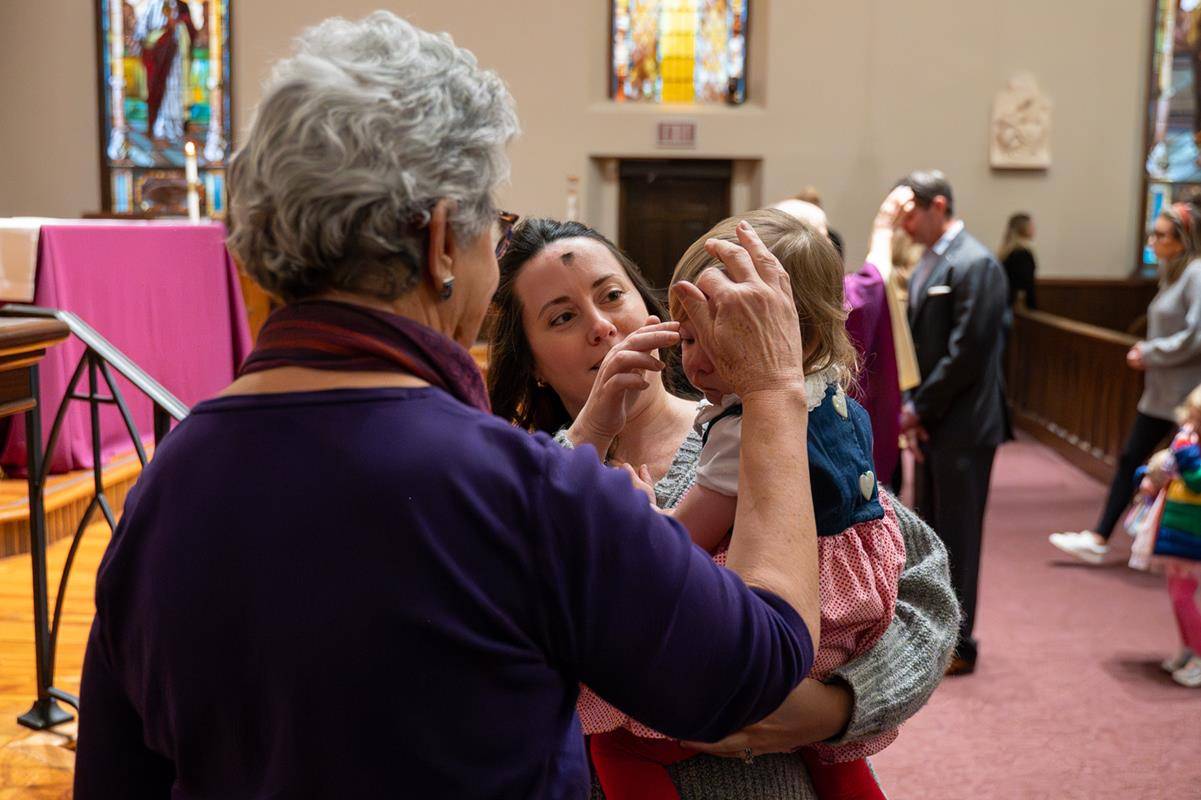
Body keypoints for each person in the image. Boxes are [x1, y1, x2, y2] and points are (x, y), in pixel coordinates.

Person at [73, 14, 824, 798]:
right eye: (488, 231)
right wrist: (772, 392)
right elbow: (759, 659)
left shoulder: (161, 492)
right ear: (437, 242)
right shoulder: (518, 491)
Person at [489, 217, 961, 799]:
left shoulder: (765, 419)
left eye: (612, 295)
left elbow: (916, 585)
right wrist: (587, 435)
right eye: (562, 317)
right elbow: (497, 606)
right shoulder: (522, 474)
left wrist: (837, 706)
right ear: (531, 359)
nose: (602, 326)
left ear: (654, 303)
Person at [575, 210, 905, 800]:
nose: (694, 361)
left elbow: (683, 539)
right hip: (850, 607)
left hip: (792, 628)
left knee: (618, 736)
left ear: (781, 333)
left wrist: (637, 517)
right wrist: (587, 438)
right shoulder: (828, 389)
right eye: (689, 336)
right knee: (838, 765)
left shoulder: (746, 421)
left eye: (611, 294)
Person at [895, 170, 1010, 676]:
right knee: (933, 532)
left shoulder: (976, 262)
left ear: (937, 205)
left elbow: (968, 353)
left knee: (959, 534)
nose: (903, 221)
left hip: (964, 423)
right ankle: (936, 634)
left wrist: (918, 408)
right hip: (936, 419)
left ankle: (961, 645)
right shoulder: (933, 259)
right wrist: (915, 408)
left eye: (910, 210)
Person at [1051, 201, 1201, 564]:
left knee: (1176, 467)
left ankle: (1106, 537)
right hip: (1163, 391)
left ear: (1183, 241)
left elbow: (1196, 334)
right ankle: (1103, 537)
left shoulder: (1196, 273)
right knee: (1139, 461)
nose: (1154, 241)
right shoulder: (1175, 273)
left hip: (1185, 395)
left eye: (1161, 235)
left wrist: (1151, 352)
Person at [771, 197, 904, 482]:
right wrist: (883, 231)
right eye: (821, 236)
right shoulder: (816, 300)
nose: (829, 247)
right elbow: (868, 289)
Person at [1129, 383, 1201, 687]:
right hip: (1177, 529)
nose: (1190, 425)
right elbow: (1163, 467)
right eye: (1192, 418)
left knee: (1185, 595)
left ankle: (1199, 653)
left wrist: (1186, 454)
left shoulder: (1189, 447)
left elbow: (1197, 480)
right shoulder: (1188, 441)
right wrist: (1149, 477)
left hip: (1195, 535)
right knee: (1176, 594)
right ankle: (1187, 647)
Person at [132, 0, 200, 141]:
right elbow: (142, 33)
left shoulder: (182, 6)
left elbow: (190, 31)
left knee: (176, 94)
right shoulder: (152, 6)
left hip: (177, 60)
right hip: (159, 62)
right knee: (161, 94)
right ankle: (160, 130)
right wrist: (163, 32)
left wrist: (179, 26)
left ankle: (177, 129)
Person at [998, 212, 1038, 309]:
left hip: (1005, 303)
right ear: (1023, 228)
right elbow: (1024, 286)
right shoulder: (1022, 253)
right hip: (1017, 307)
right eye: (1031, 226)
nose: (1034, 229)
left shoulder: (1008, 251)